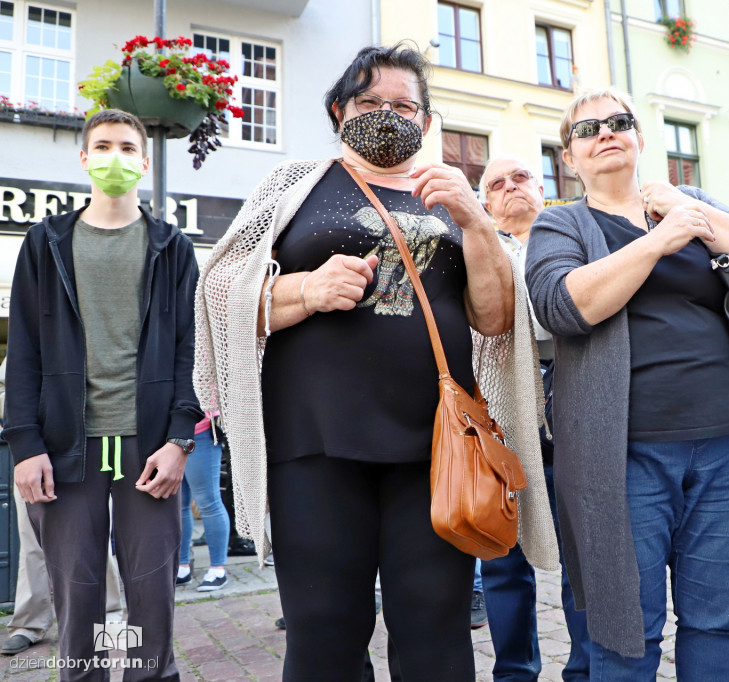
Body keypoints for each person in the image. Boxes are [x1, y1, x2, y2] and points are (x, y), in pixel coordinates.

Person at [193, 44, 558, 681]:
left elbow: (497, 321)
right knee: (324, 631)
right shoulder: (293, 184)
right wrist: (304, 290)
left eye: (404, 106)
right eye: (370, 102)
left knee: (436, 627)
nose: (387, 114)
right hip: (314, 444)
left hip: (436, 449)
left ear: (425, 121)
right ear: (339, 110)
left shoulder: (450, 194)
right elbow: (218, 293)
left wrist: (475, 221)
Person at [525, 87, 729, 681]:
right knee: (625, 634)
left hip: (725, 446)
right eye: (588, 129)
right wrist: (659, 240)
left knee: (719, 620)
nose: (606, 134)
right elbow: (563, 306)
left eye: (619, 122)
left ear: (640, 138)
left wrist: (686, 211)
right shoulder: (560, 222)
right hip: (623, 457)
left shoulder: (686, 204)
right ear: (570, 156)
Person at [5, 108, 202, 681]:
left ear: (143, 162)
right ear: (85, 158)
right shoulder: (46, 244)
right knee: (78, 604)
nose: (114, 156)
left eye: (125, 147)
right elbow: (24, 351)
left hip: (149, 450)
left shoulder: (172, 247)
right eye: (103, 145)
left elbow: (193, 351)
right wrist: (24, 443)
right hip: (66, 451)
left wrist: (178, 440)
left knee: (151, 603)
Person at [477, 156, 591, 681]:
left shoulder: (571, 236)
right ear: (484, 205)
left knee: (582, 555)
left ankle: (586, 669)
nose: (509, 188)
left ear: (543, 189)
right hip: (498, 412)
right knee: (502, 561)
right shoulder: (474, 251)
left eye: (520, 177)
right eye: (496, 184)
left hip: (570, 402)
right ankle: (514, 673)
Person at [0, 357, 124, 657]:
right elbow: (7, 384)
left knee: (95, 533)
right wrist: (24, 426)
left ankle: (110, 616)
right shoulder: (33, 324)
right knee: (32, 542)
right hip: (34, 450)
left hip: (89, 445)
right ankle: (28, 624)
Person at [176, 412, 231, 591]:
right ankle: (182, 566)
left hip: (200, 429)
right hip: (171, 436)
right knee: (178, 504)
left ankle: (217, 569)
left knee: (208, 502)